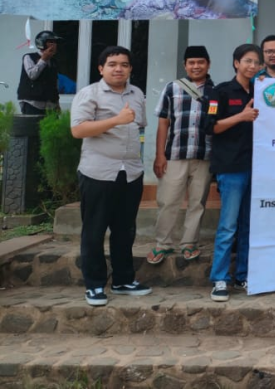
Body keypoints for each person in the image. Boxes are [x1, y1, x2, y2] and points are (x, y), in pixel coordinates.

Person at [70, 46, 150, 306]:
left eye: (124, 64)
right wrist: (116, 120)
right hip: (98, 173)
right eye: (112, 64)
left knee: (124, 231)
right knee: (94, 231)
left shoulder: (137, 94)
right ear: (101, 68)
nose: (119, 68)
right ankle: (94, 285)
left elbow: (139, 128)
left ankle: (123, 280)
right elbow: (79, 130)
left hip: (130, 173)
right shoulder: (90, 93)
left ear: (130, 69)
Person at [147, 46, 214, 265]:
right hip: (175, 154)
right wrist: (159, 155)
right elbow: (163, 123)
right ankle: (163, 244)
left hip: (204, 155)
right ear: (185, 65)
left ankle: (189, 244)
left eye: (201, 62)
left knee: (198, 203)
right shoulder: (172, 88)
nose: (196, 66)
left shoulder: (216, 91)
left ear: (208, 64)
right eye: (192, 62)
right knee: (168, 201)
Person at [206, 44, 262, 302]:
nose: (252, 66)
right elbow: (211, 127)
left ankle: (244, 274)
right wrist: (240, 117)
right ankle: (219, 278)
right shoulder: (220, 92)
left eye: (256, 62)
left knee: (249, 225)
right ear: (236, 63)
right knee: (228, 226)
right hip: (231, 168)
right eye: (247, 61)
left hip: (258, 167)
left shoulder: (264, 91)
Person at [18, 30, 62, 115]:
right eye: (51, 42)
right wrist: (43, 59)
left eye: (55, 42)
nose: (54, 45)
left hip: (50, 105)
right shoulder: (29, 57)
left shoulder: (53, 62)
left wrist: (57, 103)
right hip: (33, 103)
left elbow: (54, 83)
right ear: (42, 43)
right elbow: (32, 75)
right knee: (33, 128)